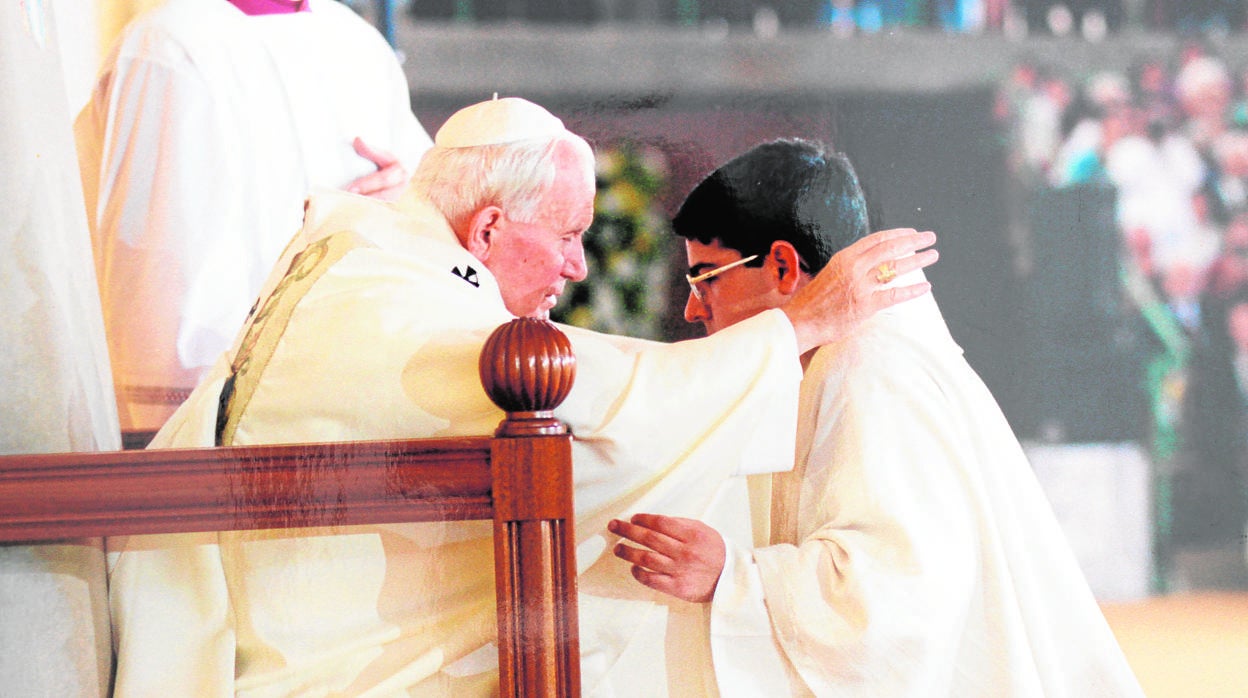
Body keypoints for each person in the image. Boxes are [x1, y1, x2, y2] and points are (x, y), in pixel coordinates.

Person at [106, 98, 938, 696]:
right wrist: (797, 328)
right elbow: (602, 408)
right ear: (490, 230)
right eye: (570, 234)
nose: (578, 267)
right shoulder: (395, 304)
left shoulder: (375, 256)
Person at [610, 139, 1145, 696]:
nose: (694, 308)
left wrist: (733, 575)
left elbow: (899, 599)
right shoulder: (841, 353)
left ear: (784, 265)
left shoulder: (869, 363)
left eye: (706, 278)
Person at [75, 0, 433, 434]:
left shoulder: (355, 39)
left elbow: (424, 194)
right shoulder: (170, 45)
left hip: (349, 384)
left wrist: (404, 192)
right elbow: (155, 269)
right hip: (219, 408)